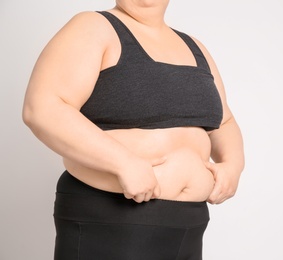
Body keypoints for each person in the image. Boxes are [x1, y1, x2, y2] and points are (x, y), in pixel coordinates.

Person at [22, 0, 245, 259]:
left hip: (188, 225)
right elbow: (42, 108)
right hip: (111, 219)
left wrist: (233, 165)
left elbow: (225, 120)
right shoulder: (93, 27)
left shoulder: (196, 48)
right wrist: (124, 163)